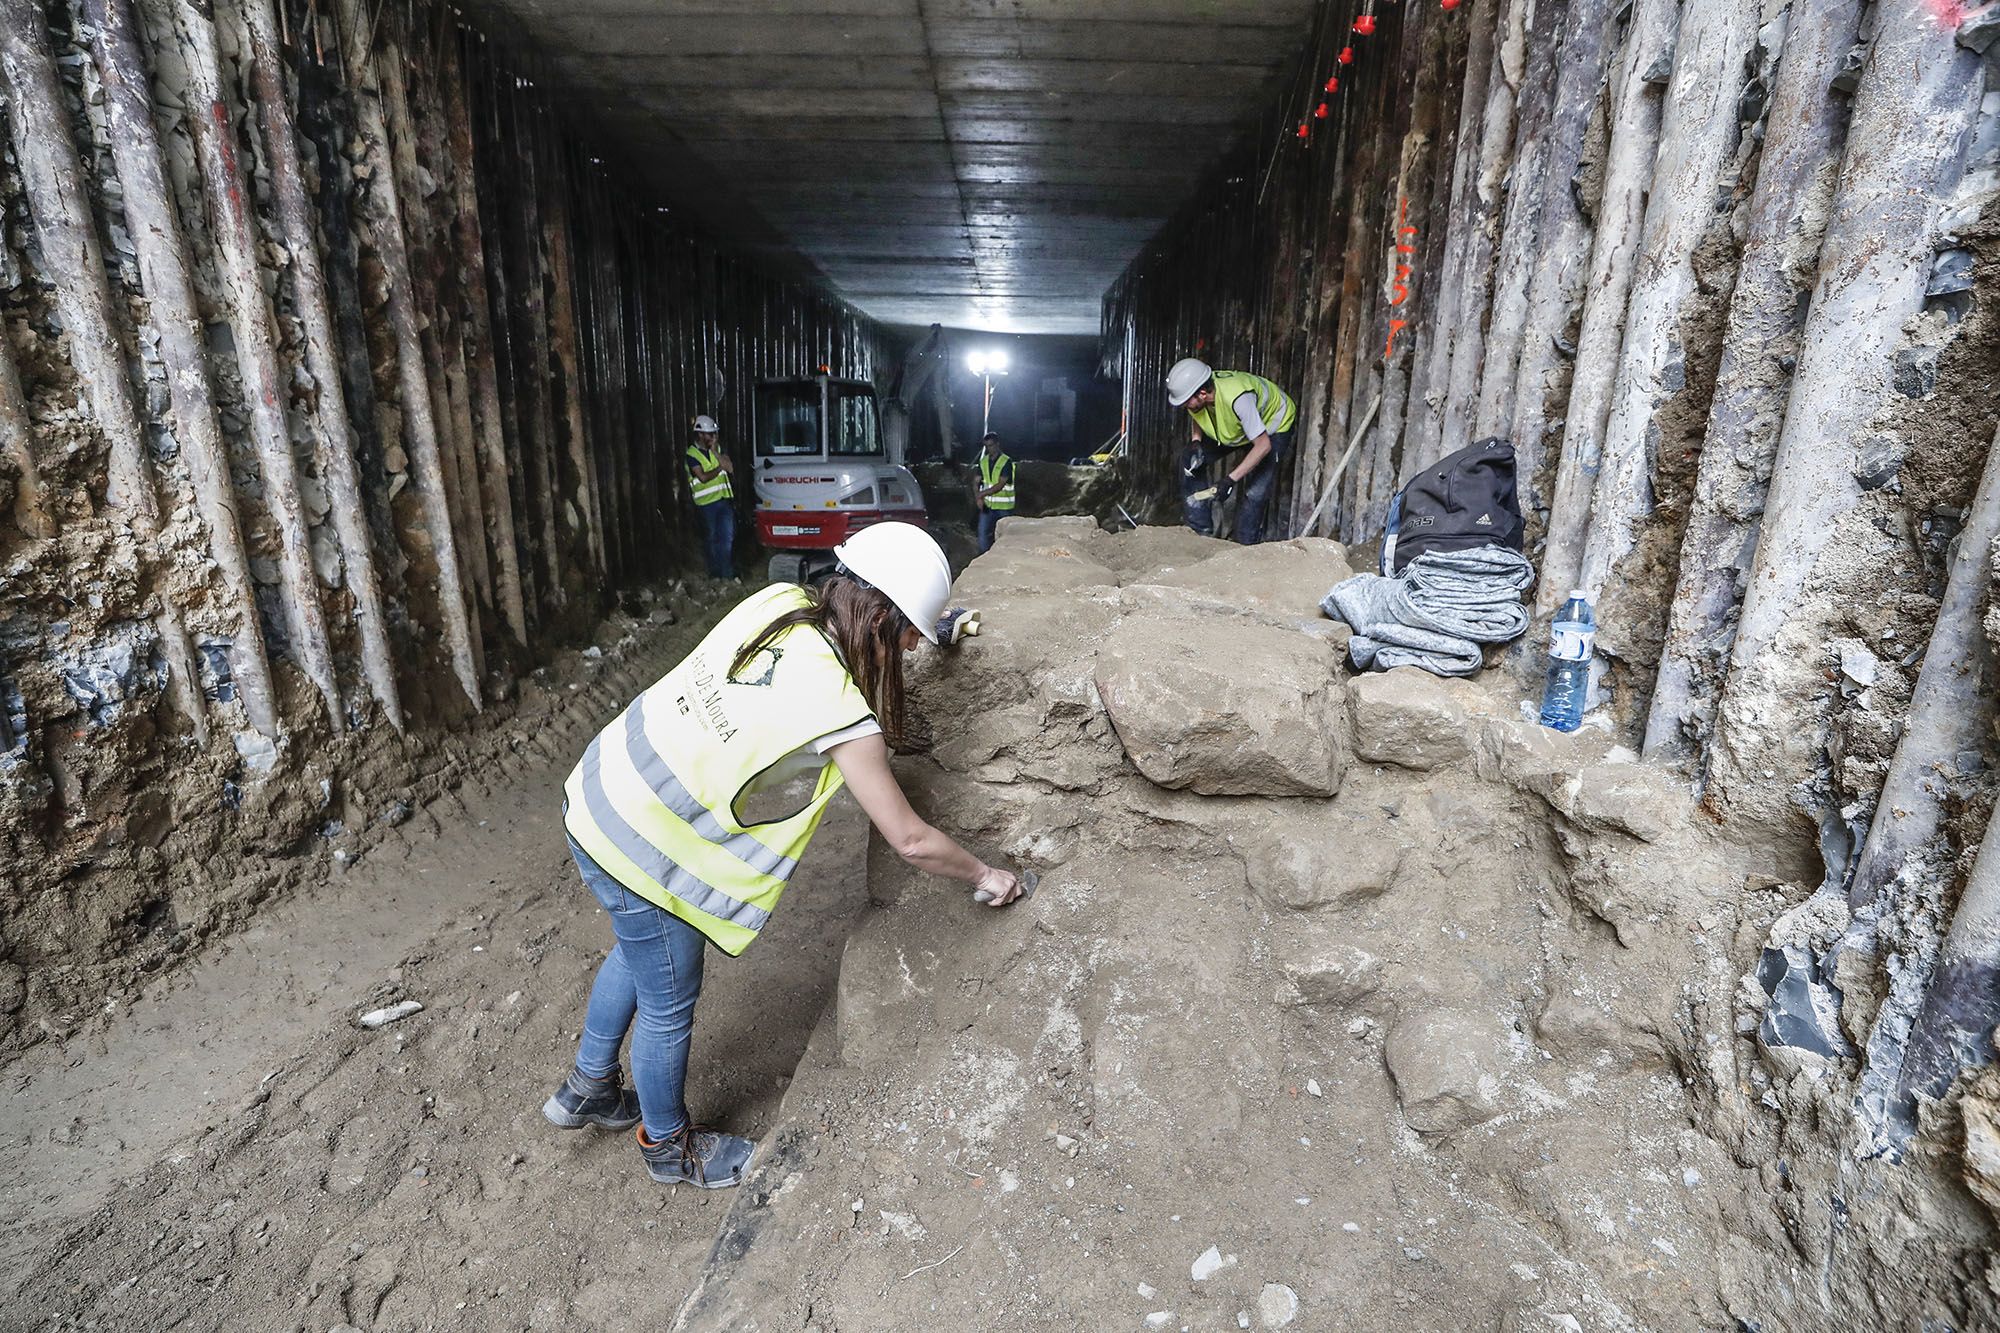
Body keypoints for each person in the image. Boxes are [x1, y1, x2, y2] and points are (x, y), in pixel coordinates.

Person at [541, 522, 1025, 1189]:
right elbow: (909, 837)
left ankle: (589, 1085)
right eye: (909, 637)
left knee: (637, 947)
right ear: (880, 618)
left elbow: (862, 630)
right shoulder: (840, 710)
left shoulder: (777, 606)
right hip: (640, 842)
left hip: (603, 789)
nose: (912, 651)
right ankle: (668, 1146)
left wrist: (931, 625)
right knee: (668, 998)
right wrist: (983, 871)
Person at [1165, 357, 1297, 545]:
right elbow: (1198, 415)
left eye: (1186, 402)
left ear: (1202, 394)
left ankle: (1242, 546)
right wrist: (1196, 442)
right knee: (1189, 460)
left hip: (1271, 427)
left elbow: (1263, 445)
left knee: (1255, 491)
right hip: (1239, 428)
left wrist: (1229, 480)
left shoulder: (1238, 399)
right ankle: (1200, 533)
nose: (1184, 407)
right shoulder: (1198, 394)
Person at [686, 414, 735, 579]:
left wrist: (715, 452)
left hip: (724, 500)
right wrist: (719, 468)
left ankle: (727, 575)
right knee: (712, 540)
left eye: (714, 433)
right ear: (700, 434)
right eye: (710, 434)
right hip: (706, 505)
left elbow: (729, 468)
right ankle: (715, 575)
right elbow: (703, 477)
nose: (713, 437)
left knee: (727, 539)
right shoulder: (692, 454)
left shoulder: (718, 449)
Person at [973, 432, 1016, 554]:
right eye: (986, 446)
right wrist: (978, 498)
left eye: (990, 445)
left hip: (1004, 508)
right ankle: (986, 558)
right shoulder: (983, 462)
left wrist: (980, 495)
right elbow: (976, 481)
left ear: (997, 444)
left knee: (1006, 537)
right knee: (982, 535)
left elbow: (1000, 485)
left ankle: (1005, 557)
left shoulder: (1006, 461)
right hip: (988, 506)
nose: (988, 449)